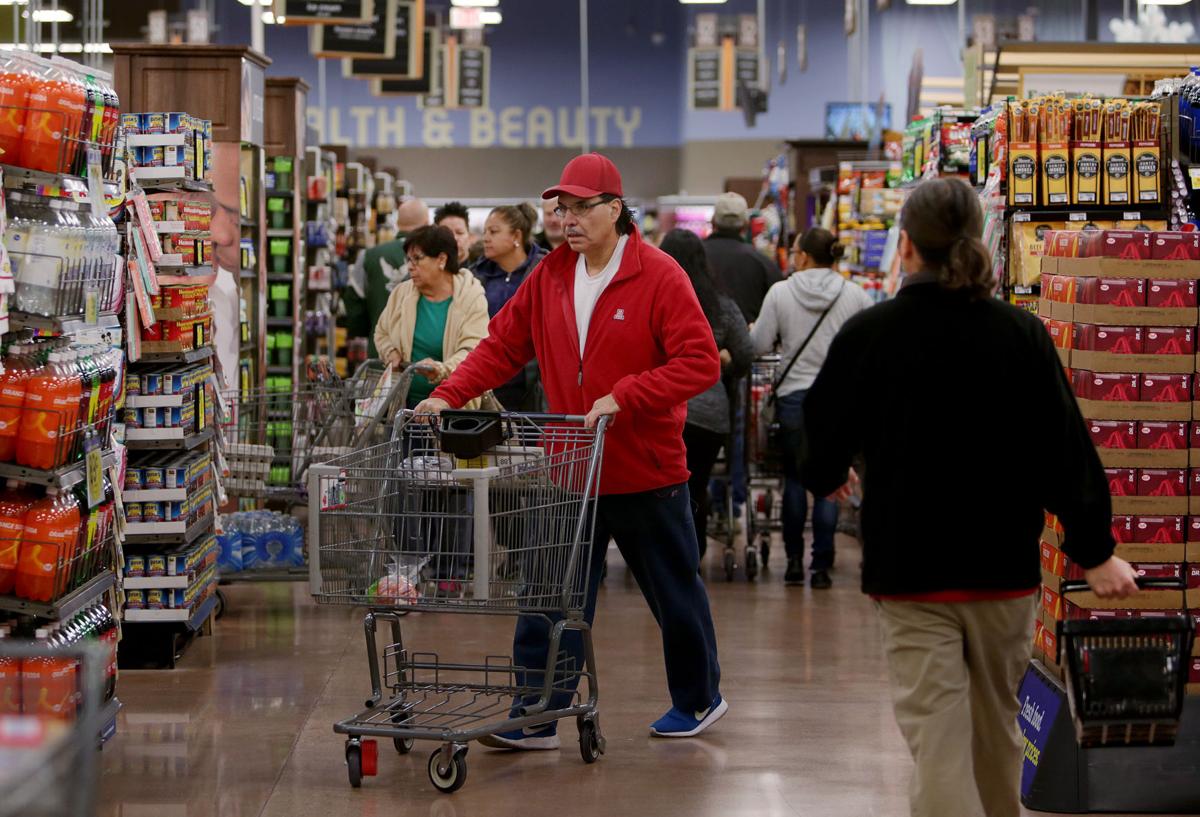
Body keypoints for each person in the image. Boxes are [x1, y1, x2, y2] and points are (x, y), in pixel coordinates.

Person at [799, 177, 1139, 817]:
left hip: (910, 571)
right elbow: (1065, 449)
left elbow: (819, 434)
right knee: (995, 731)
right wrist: (1095, 551)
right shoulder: (1020, 333)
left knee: (938, 738)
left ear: (905, 248)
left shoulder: (872, 335)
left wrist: (827, 474)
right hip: (1003, 573)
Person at [415, 152, 726, 746]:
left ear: (616, 208)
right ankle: (539, 708)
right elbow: (502, 346)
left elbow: (699, 362)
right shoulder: (551, 275)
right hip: (571, 469)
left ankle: (698, 699)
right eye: (563, 208)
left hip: (645, 470)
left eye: (584, 207)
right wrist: (450, 395)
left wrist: (625, 395)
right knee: (548, 593)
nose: (569, 218)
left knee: (673, 593)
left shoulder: (659, 275)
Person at [750, 228, 873, 589]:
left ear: (802, 256)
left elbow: (757, 346)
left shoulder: (780, 292)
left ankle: (790, 563)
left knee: (793, 479)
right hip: (839, 401)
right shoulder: (855, 295)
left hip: (793, 399)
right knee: (830, 481)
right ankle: (820, 566)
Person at [659, 228, 753, 560]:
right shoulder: (721, 304)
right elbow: (745, 354)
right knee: (695, 487)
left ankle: (661, 557)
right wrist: (721, 360)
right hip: (709, 414)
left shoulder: (655, 298)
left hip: (661, 408)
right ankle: (691, 558)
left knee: (659, 490)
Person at [372, 225, 489, 410]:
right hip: (404, 407)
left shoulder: (472, 298)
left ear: (441, 259)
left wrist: (442, 369)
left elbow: (473, 350)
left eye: (417, 259)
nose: (410, 266)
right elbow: (382, 331)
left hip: (453, 410)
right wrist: (390, 351)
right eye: (408, 259)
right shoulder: (402, 293)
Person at [472, 203, 548, 410]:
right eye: (485, 231)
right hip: (486, 378)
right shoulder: (476, 276)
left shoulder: (545, 272)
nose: (486, 237)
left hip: (530, 385)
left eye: (494, 232)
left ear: (516, 236)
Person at [344, 197, 430, 358]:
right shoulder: (433, 257)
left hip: (380, 353)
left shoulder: (368, 256)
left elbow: (353, 302)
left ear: (397, 224)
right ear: (426, 223)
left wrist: (368, 330)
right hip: (422, 357)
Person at [703, 192, 781, 324]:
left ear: (713, 221)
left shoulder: (694, 257)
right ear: (746, 224)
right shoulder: (763, 263)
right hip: (749, 341)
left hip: (701, 342)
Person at [434, 201, 473, 266]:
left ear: (469, 237)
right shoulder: (425, 273)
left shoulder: (484, 273)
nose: (454, 238)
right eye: (446, 233)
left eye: (459, 233)